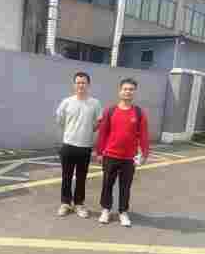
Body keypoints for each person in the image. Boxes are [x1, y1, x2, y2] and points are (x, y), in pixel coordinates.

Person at [95, 77, 149, 227]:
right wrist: (99, 152)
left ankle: (123, 212)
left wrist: (144, 154)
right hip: (110, 156)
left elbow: (144, 135)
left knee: (125, 186)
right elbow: (103, 133)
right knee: (107, 184)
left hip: (129, 158)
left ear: (134, 92)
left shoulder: (139, 113)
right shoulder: (110, 111)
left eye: (131, 89)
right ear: (120, 91)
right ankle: (106, 210)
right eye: (125, 89)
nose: (128, 92)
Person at [56, 72, 102, 218]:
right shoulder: (66, 102)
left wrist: (87, 131)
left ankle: (79, 204)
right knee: (66, 176)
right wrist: (71, 130)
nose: (81, 85)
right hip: (68, 145)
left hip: (85, 146)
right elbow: (60, 120)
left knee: (82, 177)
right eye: (78, 82)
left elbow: (98, 123)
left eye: (84, 82)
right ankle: (65, 203)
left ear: (88, 85)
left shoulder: (95, 103)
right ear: (74, 85)